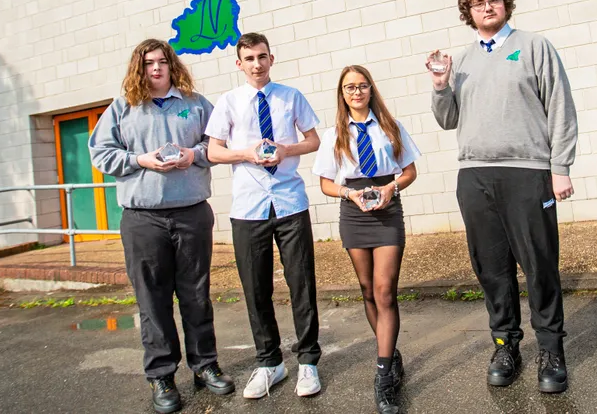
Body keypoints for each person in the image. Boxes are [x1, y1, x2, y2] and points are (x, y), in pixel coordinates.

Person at [428, 0, 578, 394]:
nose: (487, 7)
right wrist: (440, 85)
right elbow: (447, 119)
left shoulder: (534, 46)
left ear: (506, 4)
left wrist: (560, 167)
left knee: (539, 264)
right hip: (475, 175)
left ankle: (551, 349)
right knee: (491, 268)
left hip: (527, 172)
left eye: (493, 0)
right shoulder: (462, 60)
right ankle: (505, 344)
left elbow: (560, 106)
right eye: (478, 3)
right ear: (469, 12)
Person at [88, 38, 234, 414]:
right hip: (143, 219)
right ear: (139, 68)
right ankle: (162, 375)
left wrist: (193, 154)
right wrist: (141, 160)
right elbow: (100, 153)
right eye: (148, 63)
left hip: (191, 214)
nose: (156, 68)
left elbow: (219, 143)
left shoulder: (195, 104)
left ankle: (205, 366)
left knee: (196, 295)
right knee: (152, 301)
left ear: (172, 65)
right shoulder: (123, 107)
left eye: (162, 61)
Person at [205, 32, 323, 399]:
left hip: (290, 202)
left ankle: (308, 361)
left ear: (271, 58)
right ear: (239, 64)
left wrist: (286, 149)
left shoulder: (291, 96)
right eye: (249, 59)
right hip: (248, 207)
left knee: (301, 283)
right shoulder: (229, 102)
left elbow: (314, 140)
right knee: (256, 289)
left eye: (262, 57)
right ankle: (270, 362)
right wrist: (247, 153)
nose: (256, 64)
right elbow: (213, 152)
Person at [313, 65, 420, 414]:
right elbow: (325, 183)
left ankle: (383, 375)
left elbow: (410, 171)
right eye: (349, 87)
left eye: (362, 86)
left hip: (387, 210)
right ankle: (390, 352)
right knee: (367, 289)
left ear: (371, 89)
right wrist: (348, 194)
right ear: (342, 94)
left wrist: (391, 188)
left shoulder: (390, 126)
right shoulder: (334, 134)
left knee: (385, 290)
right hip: (354, 210)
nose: (356, 92)